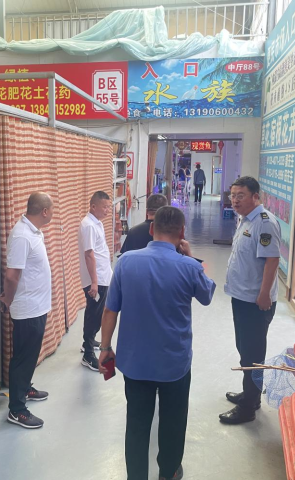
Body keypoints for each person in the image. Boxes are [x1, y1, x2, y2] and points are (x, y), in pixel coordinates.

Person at [99, 206, 216, 480]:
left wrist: (105, 347)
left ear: (152, 228)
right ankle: (168, 472)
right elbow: (207, 295)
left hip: (135, 363)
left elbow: (110, 310)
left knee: (137, 423)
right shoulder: (189, 267)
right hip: (174, 364)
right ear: (182, 232)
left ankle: (136, 475)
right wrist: (190, 257)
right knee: (173, 422)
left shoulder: (126, 262)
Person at [221, 176, 281, 425]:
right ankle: (250, 394)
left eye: (241, 196)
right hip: (242, 296)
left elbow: (272, 260)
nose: (235, 201)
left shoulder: (264, 223)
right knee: (245, 350)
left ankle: (248, 408)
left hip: (256, 301)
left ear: (256, 197)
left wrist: (264, 294)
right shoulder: (246, 219)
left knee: (253, 355)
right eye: (233, 196)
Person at [0, 193, 54, 429]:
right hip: (27, 309)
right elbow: (12, 275)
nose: (52, 214)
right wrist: (7, 299)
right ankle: (17, 410)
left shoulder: (34, 232)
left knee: (30, 355)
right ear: (44, 211)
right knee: (23, 358)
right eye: (52, 210)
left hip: (37, 306)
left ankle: (25, 388)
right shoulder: (22, 235)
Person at [78, 191, 113, 371]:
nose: (108, 210)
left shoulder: (96, 223)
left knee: (95, 312)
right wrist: (94, 282)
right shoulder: (89, 226)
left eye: (109, 207)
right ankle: (88, 354)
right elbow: (89, 254)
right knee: (95, 315)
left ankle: (88, 343)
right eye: (105, 207)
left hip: (101, 277)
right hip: (96, 280)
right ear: (93, 206)